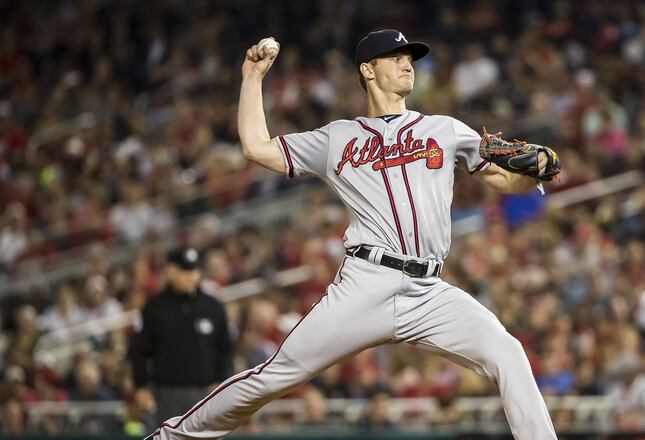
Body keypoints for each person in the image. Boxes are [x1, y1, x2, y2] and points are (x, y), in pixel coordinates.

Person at [149, 29, 557, 439]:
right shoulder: (337, 138)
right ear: (368, 69)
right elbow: (256, 146)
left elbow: (503, 181)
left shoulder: (445, 129)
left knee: (508, 352)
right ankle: (169, 437)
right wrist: (252, 78)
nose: (406, 64)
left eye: (409, 58)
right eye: (395, 57)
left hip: (429, 290)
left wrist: (535, 169)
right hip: (366, 283)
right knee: (276, 375)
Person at [131, 247, 233, 430]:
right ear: (170, 271)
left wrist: (222, 383)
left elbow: (226, 349)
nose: (191, 276)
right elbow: (139, 350)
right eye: (185, 271)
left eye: (194, 270)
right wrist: (141, 385)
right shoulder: (154, 307)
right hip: (166, 393)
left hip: (206, 393)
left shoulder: (213, 306)